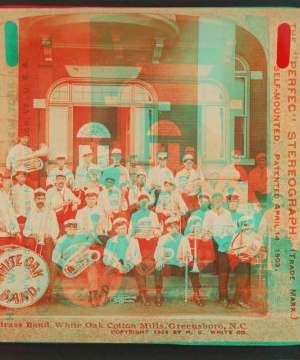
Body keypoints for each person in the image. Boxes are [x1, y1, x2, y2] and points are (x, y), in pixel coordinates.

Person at [49, 219, 99, 305]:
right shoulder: (61, 240)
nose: (72, 230)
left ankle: (93, 294)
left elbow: (92, 240)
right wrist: (64, 263)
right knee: (53, 265)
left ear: (76, 229)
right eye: (69, 229)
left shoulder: (82, 236)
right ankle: (49, 293)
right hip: (68, 266)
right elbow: (55, 256)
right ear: (65, 229)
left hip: (81, 265)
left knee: (92, 268)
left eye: (74, 228)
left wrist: (91, 237)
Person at [202, 193, 235, 307]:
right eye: (215, 200)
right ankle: (214, 267)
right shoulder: (208, 214)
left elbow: (231, 229)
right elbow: (205, 229)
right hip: (213, 243)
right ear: (212, 201)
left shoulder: (227, 213)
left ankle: (223, 297)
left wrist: (225, 239)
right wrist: (213, 235)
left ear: (222, 201)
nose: (217, 202)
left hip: (224, 243)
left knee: (224, 270)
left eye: (219, 200)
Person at [228, 215, 265, 308]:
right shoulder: (237, 236)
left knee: (249, 281)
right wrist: (237, 254)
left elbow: (261, 248)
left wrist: (262, 252)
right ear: (241, 226)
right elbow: (232, 249)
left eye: (249, 224)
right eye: (245, 225)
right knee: (241, 281)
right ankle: (239, 299)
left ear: (253, 225)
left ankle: (247, 299)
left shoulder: (257, 236)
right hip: (241, 262)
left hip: (253, 262)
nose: (247, 227)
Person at [177, 216, 215, 306]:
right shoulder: (185, 238)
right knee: (193, 271)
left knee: (195, 270)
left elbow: (210, 256)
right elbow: (180, 255)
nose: (195, 227)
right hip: (191, 263)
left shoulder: (206, 238)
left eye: (197, 224)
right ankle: (196, 293)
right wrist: (190, 262)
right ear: (190, 227)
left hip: (204, 264)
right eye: (193, 225)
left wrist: (201, 263)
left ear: (200, 225)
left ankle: (196, 293)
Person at [127, 217, 161, 306]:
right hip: (141, 261)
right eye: (143, 226)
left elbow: (161, 250)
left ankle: (158, 295)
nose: (146, 228)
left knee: (159, 268)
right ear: (139, 227)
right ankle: (143, 295)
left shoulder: (156, 237)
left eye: (148, 225)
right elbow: (130, 254)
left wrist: (160, 260)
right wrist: (137, 262)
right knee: (139, 270)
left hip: (153, 261)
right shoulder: (135, 238)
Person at [154, 217, 185, 306]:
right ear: (167, 228)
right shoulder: (163, 238)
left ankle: (196, 294)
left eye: (175, 227)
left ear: (178, 228)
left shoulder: (182, 238)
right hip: (168, 265)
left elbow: (186, 252)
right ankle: (158, 295)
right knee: (158, 269)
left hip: (179, 265)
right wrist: (159, 260)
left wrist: (184, 259)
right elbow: (158, 251)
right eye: (170, 227)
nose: (173, 229)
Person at [23, 188, 59, 263]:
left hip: (46, 239)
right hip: (35, 240)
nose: (40, 201)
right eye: (38, 198)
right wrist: (31, 234)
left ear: (45, 199)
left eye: (42, 199)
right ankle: (31, 267)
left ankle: (48, 270)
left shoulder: (51, 213)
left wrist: (50, 235)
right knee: (29, 242)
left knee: (49, 243)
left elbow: (56, 229)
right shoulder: (31, 213)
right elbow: (26, 229)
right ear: (35, 200)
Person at [0, 172, 21, 246]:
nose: (0, 182)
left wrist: (16, 231)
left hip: (8, 233)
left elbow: (11, 214)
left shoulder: (5, 195)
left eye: (1, 180)